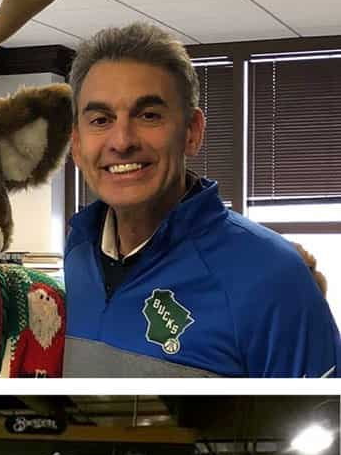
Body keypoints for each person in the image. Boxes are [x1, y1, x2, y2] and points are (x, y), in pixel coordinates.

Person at [63, 23, 341, 377]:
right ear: (76, 145)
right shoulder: (78, 250)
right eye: (101, 120)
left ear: (192, 133)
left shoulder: (275, 278)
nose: (122, 140)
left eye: (148, 115)